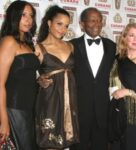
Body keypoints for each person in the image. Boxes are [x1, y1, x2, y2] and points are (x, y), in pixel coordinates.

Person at [70, 7, 116, 150]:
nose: (97, 24)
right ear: (82, 24)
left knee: (101, 145)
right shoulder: (71, 45)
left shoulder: (111, 46)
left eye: (99, 20)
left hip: (103, 108)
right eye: (92, 20)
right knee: (79, 146)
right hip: (79, 107)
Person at [35, 5, 79, 150]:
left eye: (66, 26)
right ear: (49, 23)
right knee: (50, 142)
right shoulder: (39, 48)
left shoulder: (70, 46)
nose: (63, 29)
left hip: (69, 100)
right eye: (59, 24)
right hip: (50, 101)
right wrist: (39, 80)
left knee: (67, 143)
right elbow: (27, 77)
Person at [0, 1, 39, 150]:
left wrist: (39, 80)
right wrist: (4, 120)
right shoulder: (9, 41)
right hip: (14, 109)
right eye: (24, 15)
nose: (29, 20)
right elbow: (0, 83)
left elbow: (22, 76)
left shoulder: (28, 44)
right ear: (14, 16)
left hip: (29, 109)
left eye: (31, 16)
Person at [109, 23, 136, 150]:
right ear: (124, 38)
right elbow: (113, 89)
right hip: (122, 114)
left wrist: (128, 91)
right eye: (131, 35)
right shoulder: (117, 61)